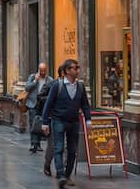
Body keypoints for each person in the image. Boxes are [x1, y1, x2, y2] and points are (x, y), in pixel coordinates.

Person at [42, 59, 92, 188]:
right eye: (75, 68)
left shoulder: (80, 86)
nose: (78, 70)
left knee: (72, 150)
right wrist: (45, 122)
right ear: (67, 71)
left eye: (78, 67)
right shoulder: (57, 85)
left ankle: (67, 175)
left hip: (74, 121)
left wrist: (88, 119)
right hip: (58, 120)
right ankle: (61, 175)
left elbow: (85, 104)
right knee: (58, 148)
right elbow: (48, 104)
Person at [39, 64, 66, 177]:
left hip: (67, 118)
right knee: (53, 144)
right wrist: (53, 98)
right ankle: (47, 164)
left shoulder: (72, 86)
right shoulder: (53, 84)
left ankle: (61, 169)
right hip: (53, 118)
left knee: (65, 145)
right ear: (63, 73)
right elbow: (40, 97)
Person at [25, 62, 54, 153]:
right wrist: (35, 81)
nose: (43, 73)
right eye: (41, 71)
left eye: (44, 71)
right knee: (32, 123)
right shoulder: (32, 77)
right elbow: (27, 88)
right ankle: (34, 143)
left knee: (41, 123)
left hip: (43, 104)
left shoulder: (50, 80)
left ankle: (38, 144)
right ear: (38, 70)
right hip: (33, 103)